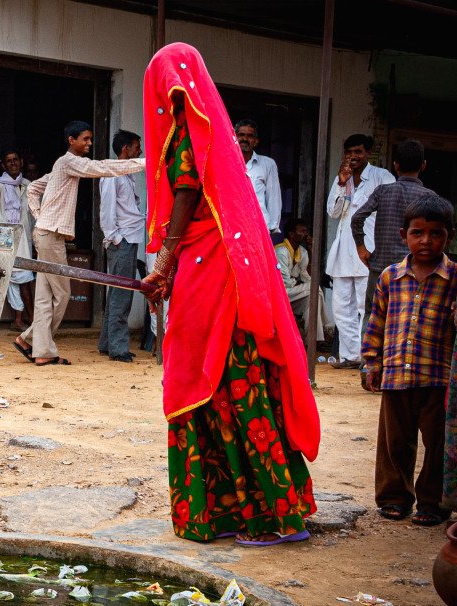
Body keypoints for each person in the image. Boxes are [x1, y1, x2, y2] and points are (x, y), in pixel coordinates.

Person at [141, 43, 320, 546]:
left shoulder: (189, 136)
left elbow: (186, 194)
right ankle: (254, 507)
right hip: (223, 272)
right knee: (234, 382)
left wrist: (164, 262)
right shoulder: (211, 136)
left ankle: (268, 516)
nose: (170, 91)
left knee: (222, 381)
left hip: (211, 273)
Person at [12, 121, 144, 366]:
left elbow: (32, 189)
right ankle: (36, 343)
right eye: (85, 139)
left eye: (90, 139)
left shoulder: (61, 167)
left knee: (45, 297)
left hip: (48, 234)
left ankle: (36, 346)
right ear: (71, 140)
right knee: (62, 295)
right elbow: (100, 168)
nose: (89, 143)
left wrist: (40, 216)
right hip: (49, 236)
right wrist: (144, 163)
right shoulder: (68, 162)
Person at [363, 195, 457, 527]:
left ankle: (433, 502)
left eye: (436, 233)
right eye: (418, 233)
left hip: (437, 377)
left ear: (449, 236)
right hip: (395, 375)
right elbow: (376, 321)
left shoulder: (454, 278)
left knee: (437, 444)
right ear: (404, 234)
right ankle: (394, 498)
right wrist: (371, 362)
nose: (426, 240)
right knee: (394, 442)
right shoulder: (390, 277)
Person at [325, 134, 395, 369]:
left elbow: (391, 210)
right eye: (349, 152)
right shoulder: (342, 178)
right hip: (344, 250)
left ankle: (368, 357)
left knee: (365, 307)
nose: (353, 157)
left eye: (358, 152)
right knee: (341, 306)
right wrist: (342, 183)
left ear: (368, 153)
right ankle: (351, 356)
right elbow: (333, 213)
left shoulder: (382, 177)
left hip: (369, 250)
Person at [352, 139, 436, 319]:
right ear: (423, 165)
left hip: (380, 268)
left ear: (395, 165)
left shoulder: (383, 191)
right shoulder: (429, 197)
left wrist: (361, 247)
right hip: (414, 272)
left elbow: (357, 218)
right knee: (408, 321)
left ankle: (370, 349)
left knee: (373, 318)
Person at [97, 129, 146, 362]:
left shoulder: (126, 174)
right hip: (122, 239)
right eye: (137, 147)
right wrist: (114, 237)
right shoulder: (112, 174)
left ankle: (108, 343)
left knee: (117, 292)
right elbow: (106, 210)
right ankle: (118, 348)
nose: (140, 150)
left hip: (128, 237)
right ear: (125, 149)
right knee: (122, 294)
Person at [0, 149, 35, 331]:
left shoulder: (28, 185)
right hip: (2, 234)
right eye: (9, 161)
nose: (13, 163)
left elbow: (33, 215)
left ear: (21, 162)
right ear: (3, 165)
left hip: (22, 235)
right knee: (7, 275)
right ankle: (21, 318)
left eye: (15, 160)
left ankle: (24, 318)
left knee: (23, 276)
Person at [275, 218, 330, 341]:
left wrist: (311, 250)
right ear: (291, 234)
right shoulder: (281, 252)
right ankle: (326, 325)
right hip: (278, 294)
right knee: (314, 288)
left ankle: (314, 340)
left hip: (291, 294)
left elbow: (307, 278)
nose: (306, 234)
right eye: (302, 231)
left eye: (306, 231)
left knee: (313, 299)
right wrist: (298, 282)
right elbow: (285, 283)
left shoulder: (302, 251)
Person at [235, 119, 282, 239]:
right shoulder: (226, 162)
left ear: (256, 141)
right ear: (234, 138)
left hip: (259, 229)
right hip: (231, 227)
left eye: (250, 136)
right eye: (241, 135)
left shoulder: (268, 164)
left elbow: (273, 197)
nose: (245, 139)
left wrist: (272, 227)